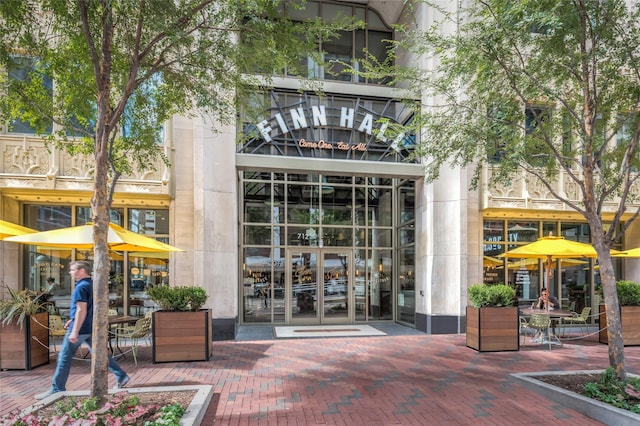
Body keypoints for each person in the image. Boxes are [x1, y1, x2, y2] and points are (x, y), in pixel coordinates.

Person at [35, 261, 130, 400]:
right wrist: (72, 319)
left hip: (80, 329)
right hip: (90, 326)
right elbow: (88, 308)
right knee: (100, 354)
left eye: (73, 269)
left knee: (64, 358)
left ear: (81, 271)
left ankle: (57, 388)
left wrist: (74, 330)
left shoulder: (81, 287)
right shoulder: (92, 284)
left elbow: (81, 309)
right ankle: (121, 375)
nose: (70, 272)